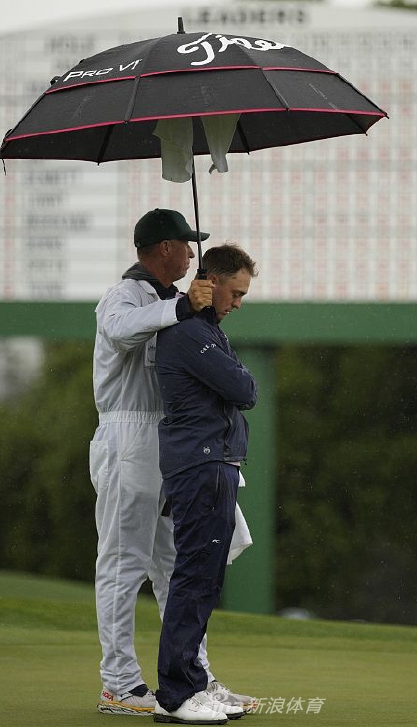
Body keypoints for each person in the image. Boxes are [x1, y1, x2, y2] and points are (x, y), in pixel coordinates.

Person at [89, 209, 255, 717]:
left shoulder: (174, 301)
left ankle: (193, 677)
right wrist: (184, 306)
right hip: (127, 434)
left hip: (173, 440)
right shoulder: (124, 296)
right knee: (123, 562)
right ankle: (118, 682)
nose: (192, 254)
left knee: (177, 567)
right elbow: (120, 332)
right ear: (164, 248)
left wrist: (189, 308)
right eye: (186, 245)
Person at [152, 245, 258, 725]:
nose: (237, 303)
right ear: (210, 281)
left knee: (202, 580)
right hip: (201, 466)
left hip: (212, 465)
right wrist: (235, 372)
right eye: (234, 292)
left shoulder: (206, 332)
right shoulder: (190, 334)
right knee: (194, 580)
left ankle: (192, 684)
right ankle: (178, 694)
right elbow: (245, 391)